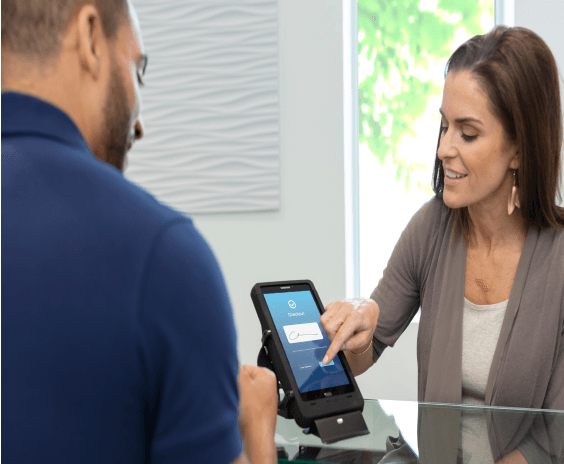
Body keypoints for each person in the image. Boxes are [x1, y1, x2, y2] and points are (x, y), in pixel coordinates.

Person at [1, 0, 278, 462]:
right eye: (138, 70)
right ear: (90, 38)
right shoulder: (167, 259)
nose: (140, 124)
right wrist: (258, 432)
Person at [320, 25, 564, 463]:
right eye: (444, 125)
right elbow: (365, 350)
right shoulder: (431, 229)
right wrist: (355, 333)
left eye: (467, 134)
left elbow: (556, 432)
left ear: (520, 150)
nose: (443, 148)